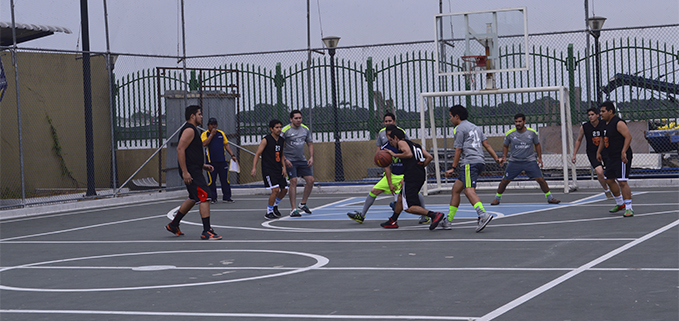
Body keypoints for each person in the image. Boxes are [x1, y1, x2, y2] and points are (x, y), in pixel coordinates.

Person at [347, 112, 428, 224]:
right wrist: (389, 182)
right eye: (387, 135)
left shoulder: (404, 143)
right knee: (373, 191)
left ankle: (425, 216)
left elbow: (412, 155)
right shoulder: (386, 148)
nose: (389, 137)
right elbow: (386, 166)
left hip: (404, 174)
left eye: (391, 135)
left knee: (414, 194)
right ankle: (362, 215)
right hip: (392, 174)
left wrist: (416, 168)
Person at [165, 105, 222, 240]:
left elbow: (191, 153)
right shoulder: (189, 130)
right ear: (192, 116)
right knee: (205, 195)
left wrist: (202, 165)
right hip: (191, 171)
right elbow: (180, 149)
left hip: (194, 168)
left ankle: (174, 224)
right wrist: (185, 172)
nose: (202, 117)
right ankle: (206, 231)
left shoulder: (193, 130)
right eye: (199, 114)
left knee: (193, 197)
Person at [442, 105, 501, 232]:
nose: (450, 119)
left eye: (451, 116)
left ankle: (483, 215)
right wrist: (496, 158)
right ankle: (448, 221)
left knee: (469, 191)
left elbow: (458, 150)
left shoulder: (459, 129)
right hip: (479, 161)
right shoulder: (475, 127)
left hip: (469, 162)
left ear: (457, 117)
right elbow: (486, 144)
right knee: (456, 190)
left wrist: (453, 167)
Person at [380, 125, 445, 230]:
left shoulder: (401, 143)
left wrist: (394, 155)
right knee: (401, 198)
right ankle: (393, 220)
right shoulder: (416, 145)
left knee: (409, 207)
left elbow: (408, 154)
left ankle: (434, 215)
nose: (391, 143)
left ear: (396, 138)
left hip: (413, 176)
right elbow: (429, 157)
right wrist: (418, 167)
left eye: (391, 140)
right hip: (419, 175)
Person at [491, 113, 561, 205]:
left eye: (520, 121)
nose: (517, 123)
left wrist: (539, 158)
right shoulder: (510, 134)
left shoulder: (532, 133)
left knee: (540, 179)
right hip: (514, 161)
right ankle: (497, 198)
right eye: (516, 122)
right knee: (505, 180)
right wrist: (504, 156)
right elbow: (505, 146)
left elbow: (537, 145)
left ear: (524, 122)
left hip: (530, 161)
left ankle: (550, 198)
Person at [596, 101, 634, 217]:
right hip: (611, 155)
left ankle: (629, 207)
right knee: (609, 180)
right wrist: (598, 152)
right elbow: (603, 139)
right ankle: (620, 203)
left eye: (603, 111)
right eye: (600, 111)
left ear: (610, 111)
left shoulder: (618, 123)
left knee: (622, 181)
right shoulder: (603, 124)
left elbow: (628, 137)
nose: (601, 114)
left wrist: (623, 151)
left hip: (621, 155)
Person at [571, 108, 615, 199]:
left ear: (597, 115)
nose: (590, 117)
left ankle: (620, 189)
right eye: (589, 115)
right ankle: (607, 191)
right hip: (592, 152)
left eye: (592, 114)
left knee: (612, 171)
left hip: (605, 150)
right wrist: (574, 154)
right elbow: (579, 140)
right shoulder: (585, 127)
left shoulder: (604, 124)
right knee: (599, 172)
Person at [251, 119, 289, 220]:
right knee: (275, 190)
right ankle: (269, 212)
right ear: (271, 129)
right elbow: (257, 154)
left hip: (278, 168)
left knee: (284, 189)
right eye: (277, 127)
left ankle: (275, 205)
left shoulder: (281, 140)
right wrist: (254, 168)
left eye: (280, 127)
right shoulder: (266, 140)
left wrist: (284, 167)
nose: (279, 129)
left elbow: (281, 155)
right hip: (268, 169)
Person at [281, 110, 315, 217]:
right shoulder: (285, 130)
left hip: (302, 160)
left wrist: (311, 157)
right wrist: (285, 160)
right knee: (293, 181)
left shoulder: (305, 129)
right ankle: (293, 209)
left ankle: (303, 203)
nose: (298, 120)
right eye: (296, 118)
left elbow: (309, 144)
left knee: (310, 180)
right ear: (291, 119)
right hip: (290, 161)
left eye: (300, 118)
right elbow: (279, 147)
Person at [201, 117, 237, 203]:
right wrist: (211, 135)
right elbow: (204, 143)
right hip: (211, 162)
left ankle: (227, 197)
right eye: (211, 125)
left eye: (215, 124)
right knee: (211, 181)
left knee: (225, 180)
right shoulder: (205, 134)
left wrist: (232, 155)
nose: (213, 126)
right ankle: (213, 197)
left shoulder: (221, 133)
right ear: (208, 125)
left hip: (222, 161)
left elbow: (226, 144)